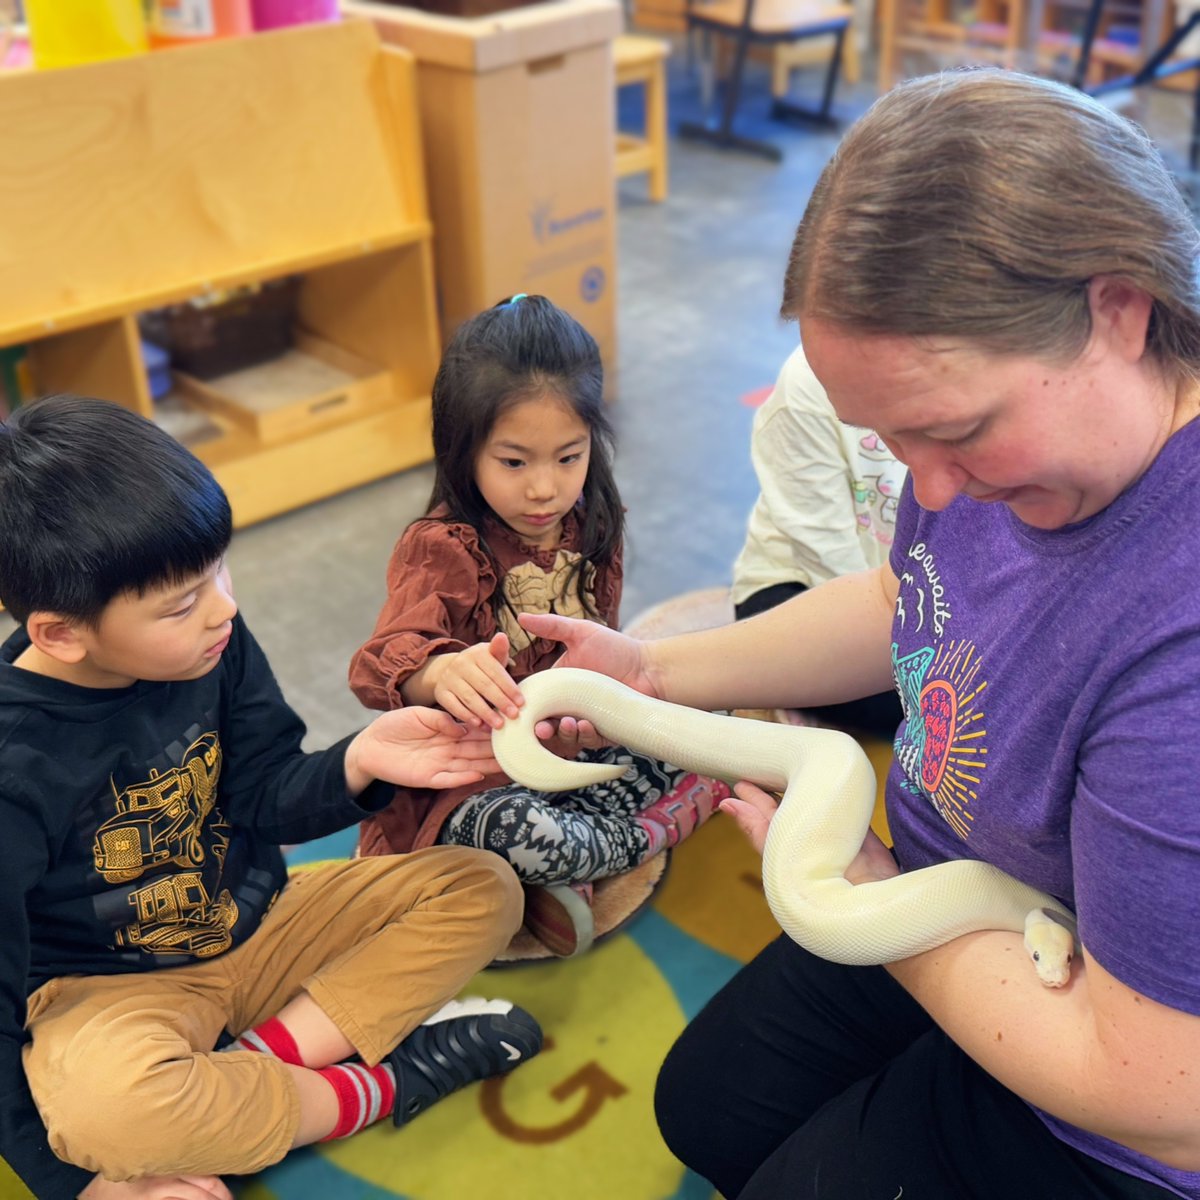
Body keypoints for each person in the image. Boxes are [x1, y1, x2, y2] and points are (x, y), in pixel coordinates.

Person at [514, 69, 1200, 1200]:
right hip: (950, 897)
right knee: (709, 1113)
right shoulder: (1005, 464)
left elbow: (1163, 1097)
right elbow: (909, 594)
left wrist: (871, 902)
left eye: (958, 432)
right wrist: (655, 675)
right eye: (890, 439)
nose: (930, 485)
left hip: (1124, 1095)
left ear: (1117, 310)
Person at [0, 396, 544, 1200]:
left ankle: (248, 1077)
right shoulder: (15, 768)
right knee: (106, 1120)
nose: (223, 606)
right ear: (61, 635)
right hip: (105, 986)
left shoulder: (209, 640)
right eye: (182, 601)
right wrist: (71, 1185)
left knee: (482, 887)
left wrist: (360, 762)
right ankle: (373, 1089)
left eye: (219, 567)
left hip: (259, 919)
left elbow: (265, 797)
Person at [349, 294, 729, 958]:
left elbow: (606, 659)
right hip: (474, 781)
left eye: (569, 457)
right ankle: (637, 836)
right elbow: (380, 662)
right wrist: (438, 671)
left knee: (698, 697)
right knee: (508, 831)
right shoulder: (444, 549)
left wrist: (608, 713)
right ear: (463, 451)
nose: (545, 489)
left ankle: (571, 863)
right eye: (515, 462)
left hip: (571, 753)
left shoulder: (594, 523)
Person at [732, 343, 906, 738]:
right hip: (808, 590)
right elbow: (833, 566)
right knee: (954, 705)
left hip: (919, 604)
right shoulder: (807, 391)